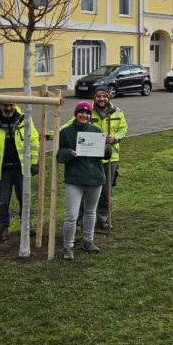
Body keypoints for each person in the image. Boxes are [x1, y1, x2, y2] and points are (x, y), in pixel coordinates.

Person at [57, 101, 112, 261]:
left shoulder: (96, 131)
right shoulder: (66, 133)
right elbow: (59, 155)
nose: (85, 115)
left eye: (88, 113)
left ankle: (89, 241)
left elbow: (107, 155)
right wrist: (68, 152)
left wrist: (106, 149)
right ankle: (68, 247)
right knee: (71, 215)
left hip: (95, 178)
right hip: (74, 180)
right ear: (76, 114)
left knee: (90, 211)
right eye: (81, 112)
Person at [0, 102, 39, 237]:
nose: (9, 108)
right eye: (6, 105)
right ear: (0, 105)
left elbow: (34, 139)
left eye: (11, 105)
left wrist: (34, 162)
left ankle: (26, 226)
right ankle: (3, 226)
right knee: (3, 200)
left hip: (21, 168)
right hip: (2, 170)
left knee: (25, 198)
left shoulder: (24, 119)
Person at [77, 87, 127, 230]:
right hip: (90, 156)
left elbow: (123, 129)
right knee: (85, 188)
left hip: (110, 157)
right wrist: (54, 133)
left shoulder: (117, 112)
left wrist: (115, 137)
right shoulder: (86, 111)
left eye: (104, 96)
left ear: (108, 97)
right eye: (99, 96)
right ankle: (81, 220)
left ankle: (102, 219)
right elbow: (70, 126)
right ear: (94, 98)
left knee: (106, 191)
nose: (102, 99)